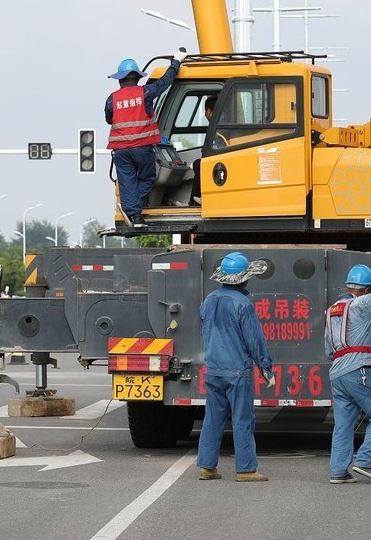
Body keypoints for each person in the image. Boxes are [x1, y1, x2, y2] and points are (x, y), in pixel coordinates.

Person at [197, 252, 273, 483]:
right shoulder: (243, 304)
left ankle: (207, 467)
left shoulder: (208, 301)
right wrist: (265, 367)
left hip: (213, 370)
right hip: (237, 372)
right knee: (242, 419)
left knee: (212, 419)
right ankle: (246, 469)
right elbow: (254, 340)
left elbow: (205, 333)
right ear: (244, 279)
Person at [325, 263, 371, 484]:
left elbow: (328, 349)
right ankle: (365, 462)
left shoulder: (332, 310)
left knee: (343, 425)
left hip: (337, 373)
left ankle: (339, 471)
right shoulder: (360, 304)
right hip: (358, 370)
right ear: (366, 289)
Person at [104, 49, 187, 228]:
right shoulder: (146, 93)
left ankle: (133, 213)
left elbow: (109, 118)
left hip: (121, 151)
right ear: (138, 78)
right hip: (142, 148)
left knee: (127, 182)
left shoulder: (112, 99)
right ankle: (134, 212)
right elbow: (166, 82)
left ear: (120, 80)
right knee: (148, 177)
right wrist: (176, 62)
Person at [189, 95, 226, 206]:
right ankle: (192, 203)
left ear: (209, 112)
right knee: (198, 164)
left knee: (198, 164)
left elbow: (216, 147)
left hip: (221, 161)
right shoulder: (222, 123)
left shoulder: (217, 127)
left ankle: (201, 199)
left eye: (205, 111)